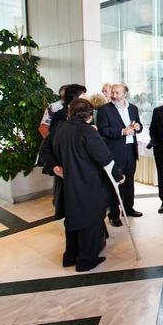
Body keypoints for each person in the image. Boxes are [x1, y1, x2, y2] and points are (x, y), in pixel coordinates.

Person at [40, 99, 124, 272]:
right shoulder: (88, 131)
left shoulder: (59, 128)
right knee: (91, 219)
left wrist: (54, 167)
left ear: (70, 112)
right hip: (87, 183)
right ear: (89, 115)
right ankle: (86, 261)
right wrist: (118, 176)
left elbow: (44, 151)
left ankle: (70, 256)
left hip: (66, 183)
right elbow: (104, 158)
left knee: (72, 218)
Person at [97, 82, 143, 227]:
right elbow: (102, 130)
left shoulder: (133, 108)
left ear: (125, 94)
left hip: (131, 150)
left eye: (117, 93)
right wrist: (122, 131)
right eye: (113, 92)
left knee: (129, 182)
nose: (114, 95)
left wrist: (138, 127)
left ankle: (128, 209)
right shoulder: (104, 110)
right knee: (114, 183)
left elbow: (139, 126)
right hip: (114, 152)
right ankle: (114, 215)